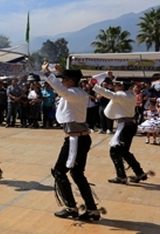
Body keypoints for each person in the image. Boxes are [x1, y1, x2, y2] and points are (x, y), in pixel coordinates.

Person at [42, 62, 102, 221]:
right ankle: (91, 209)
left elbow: (60, 89)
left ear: (70, 81)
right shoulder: (77, 92)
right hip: (79, 137)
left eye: (64, 79)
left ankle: (71, 207)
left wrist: (47, 73)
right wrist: (60, 72)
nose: (62, 81)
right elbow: (63, 88)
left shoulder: (74, 93)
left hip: (75, 139)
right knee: (76, 173)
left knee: (59, 171)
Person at [93, 78, 149, 184]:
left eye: (116, 85)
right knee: (123, 152)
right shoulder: (129, 94)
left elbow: (108, 94)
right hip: (127, 126)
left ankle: (122, 176)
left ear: (122, 86)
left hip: (125, 127)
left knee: (115, 152)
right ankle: (139, 173)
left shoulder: (123, 95)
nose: (114, 86)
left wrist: (95, 86)